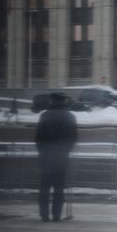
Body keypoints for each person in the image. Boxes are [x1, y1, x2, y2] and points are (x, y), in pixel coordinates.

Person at [35, 92, 78, 222]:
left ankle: (44, 215)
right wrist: (65, 151)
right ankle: (57, 215)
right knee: (59, 188)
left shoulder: (45, 116)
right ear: (63, 101)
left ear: (52, 101)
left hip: (46, 157)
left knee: (44, 187)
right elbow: (73, 137)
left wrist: (43, 151)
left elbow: (38, 137)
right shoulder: (69, 116)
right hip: (61, 157)